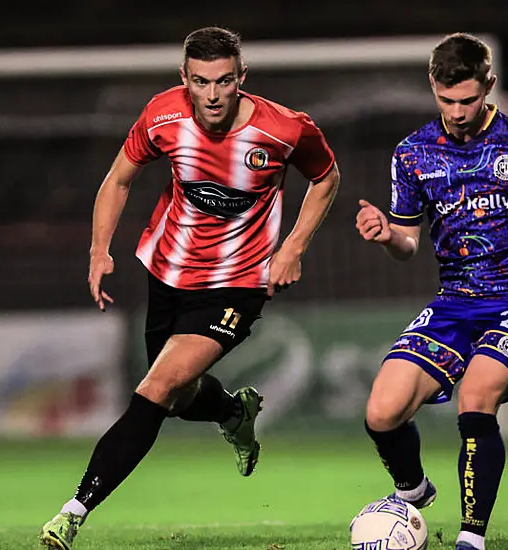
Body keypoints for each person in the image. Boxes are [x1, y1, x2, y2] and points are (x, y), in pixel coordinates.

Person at [39, 26, 340, 549]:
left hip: (238, 283)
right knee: (176, 399)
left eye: (224, 81)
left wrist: (292, 248)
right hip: (167, 272)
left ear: (241, 78)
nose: (213, 94)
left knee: (154, 390)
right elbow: (118, 179)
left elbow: (327, 177)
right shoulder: (163, 114)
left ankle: (72, 512)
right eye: (201, 82)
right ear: (185, 79)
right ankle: (233, 412)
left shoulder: (284, 129)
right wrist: (98, 249)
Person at [355, 33, 508, 550]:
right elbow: (408, 244)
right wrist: (386, 234)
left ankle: (471, 538)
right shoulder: (413, 153)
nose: (458, 112)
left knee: (477, 395)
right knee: (381, 412)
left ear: (490, 86)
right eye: (447, 100)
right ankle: (414, 489)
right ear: (432, 88)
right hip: (454, 301)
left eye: (468, 100)